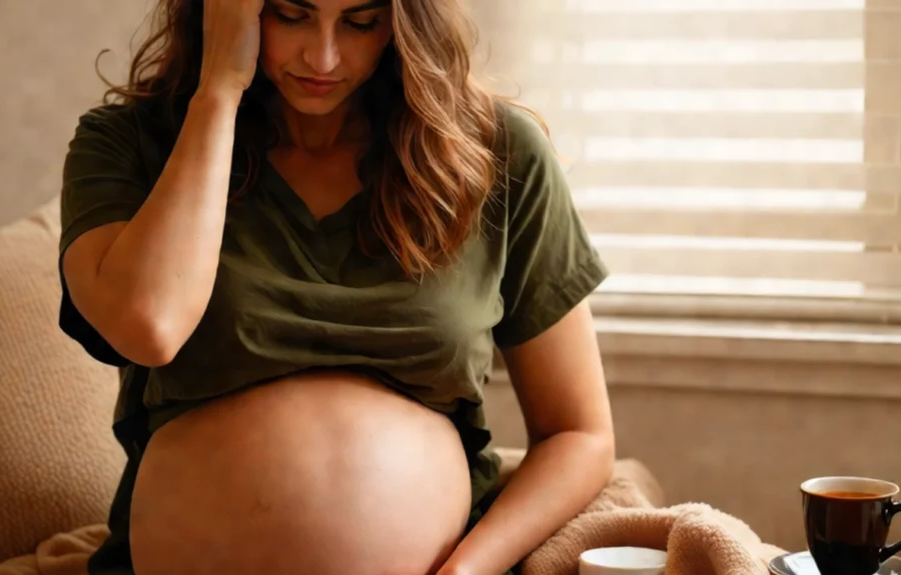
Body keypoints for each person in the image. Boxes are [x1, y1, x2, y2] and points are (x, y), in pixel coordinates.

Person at [57, 0, 615, 573]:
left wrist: (472, 568)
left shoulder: (497, 154)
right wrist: (219, 91)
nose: (322, 56)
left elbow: (579, 433)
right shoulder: (129, 143)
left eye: (360, 22)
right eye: (291, 15)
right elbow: (150, 325)